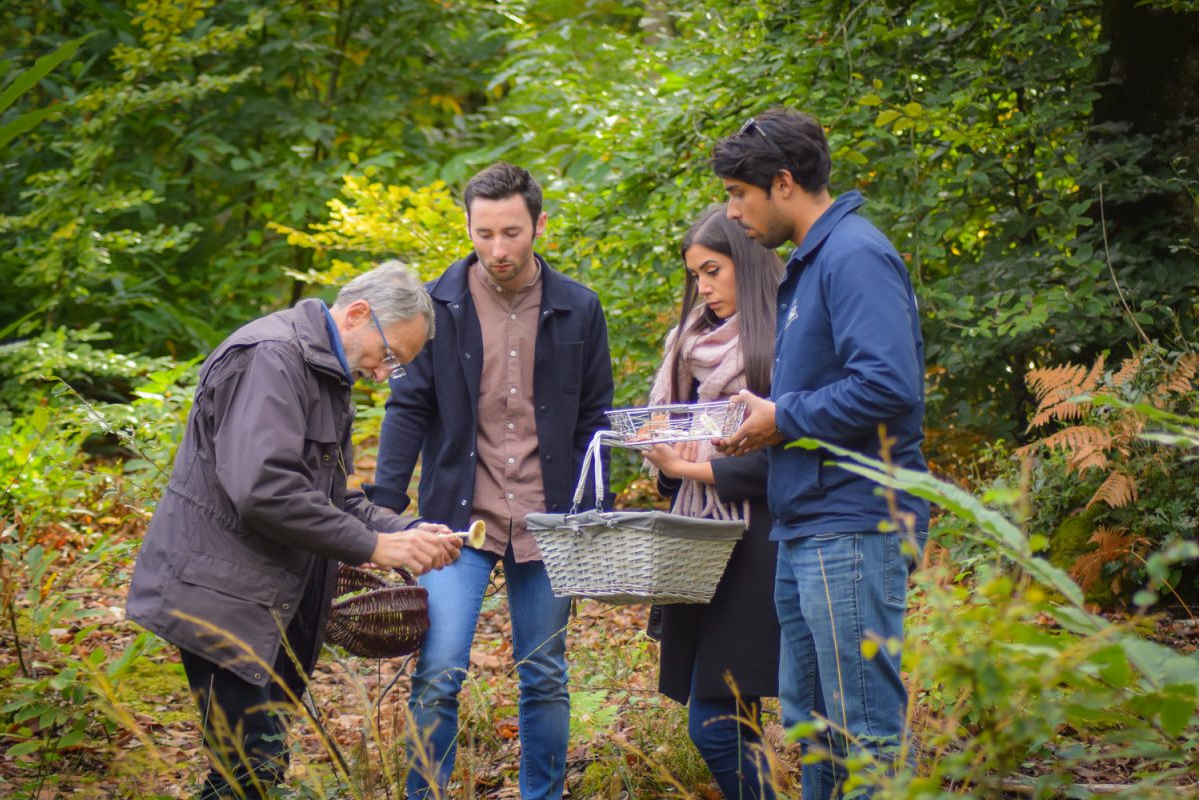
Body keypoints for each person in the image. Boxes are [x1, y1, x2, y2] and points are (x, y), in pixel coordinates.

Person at [127, 263, 463, 800]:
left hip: (266, 601)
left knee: (254, 768)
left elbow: (331, 496)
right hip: (222, 597)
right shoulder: (271, 358)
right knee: (248, 772)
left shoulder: (324, 373)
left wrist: (408, 530)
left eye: (396, 364)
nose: (383, 374)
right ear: (358, 314)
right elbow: (264, 490)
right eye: (389, 355)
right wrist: (375, 546)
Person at [366, 162, 614, 799]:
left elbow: (596, 419)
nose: (497, 249)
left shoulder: (579, 308)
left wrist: (596, 511)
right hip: (456, 520)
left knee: (545, 674)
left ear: (540, 225)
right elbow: (407, 408)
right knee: (438, 672)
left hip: (549, 519)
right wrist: (383, 511)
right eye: (483, 234)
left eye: (511, 232)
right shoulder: (435, 306)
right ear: (468, 227)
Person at [710, 108, 930, 799]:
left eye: (739, 193)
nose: (732, 211)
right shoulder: (809, 263)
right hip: (805, 521)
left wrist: (783, 417)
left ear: (783, 183)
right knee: (816, 733)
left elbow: (888, 385)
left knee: (865, 733)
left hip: (854, 522)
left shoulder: (853, 255)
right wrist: (765, 421)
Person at [642, 205, 784, 799]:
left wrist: (690, 465)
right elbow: (671, 475)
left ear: (746, 264)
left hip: (761, 547)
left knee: (717, 724)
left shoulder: (784, 336)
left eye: (713, 270)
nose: (702, 287)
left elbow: (785, 458)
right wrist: (665, 460)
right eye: (695, 275)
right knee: (728, 719)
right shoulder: (688, 344)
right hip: (701, 545)